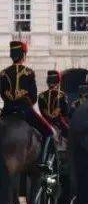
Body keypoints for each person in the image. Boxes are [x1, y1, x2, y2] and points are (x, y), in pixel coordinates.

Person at [0, 41, 56, 173]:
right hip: (25, 111)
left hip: (7, 111)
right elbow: (33, 98)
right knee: (49, 132)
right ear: (23, 55)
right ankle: (44, 162)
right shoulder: (29, 72)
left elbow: (2, 94)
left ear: (12, 55)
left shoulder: (2, 74)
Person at [37, 69, 71, 137]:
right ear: (57, 82)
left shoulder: (41, 95)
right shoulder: (62, 95)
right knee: (70, 133)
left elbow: (41, 110)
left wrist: (48, 115)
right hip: (58, 121)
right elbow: (66, 112)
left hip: (44, 122)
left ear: (48, 82)